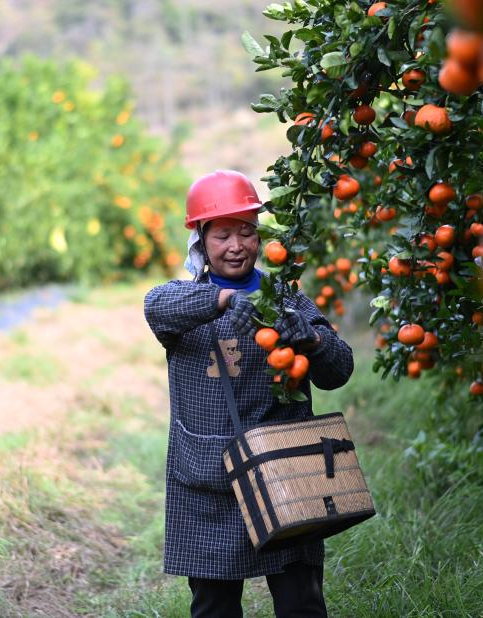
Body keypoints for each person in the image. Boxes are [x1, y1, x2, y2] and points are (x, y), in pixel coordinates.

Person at [143, 170, 355, 617]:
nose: (236, 246)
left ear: (260, 237)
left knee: (302, 604)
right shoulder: (185, 301)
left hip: (287, 474)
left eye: (246, 232)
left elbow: (339, 371)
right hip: (209, 479)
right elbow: (155, 305)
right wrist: (223, 300)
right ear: (201, 241)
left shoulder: (287, 299)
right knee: (214, 607)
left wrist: (311, 340)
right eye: (222, 235)